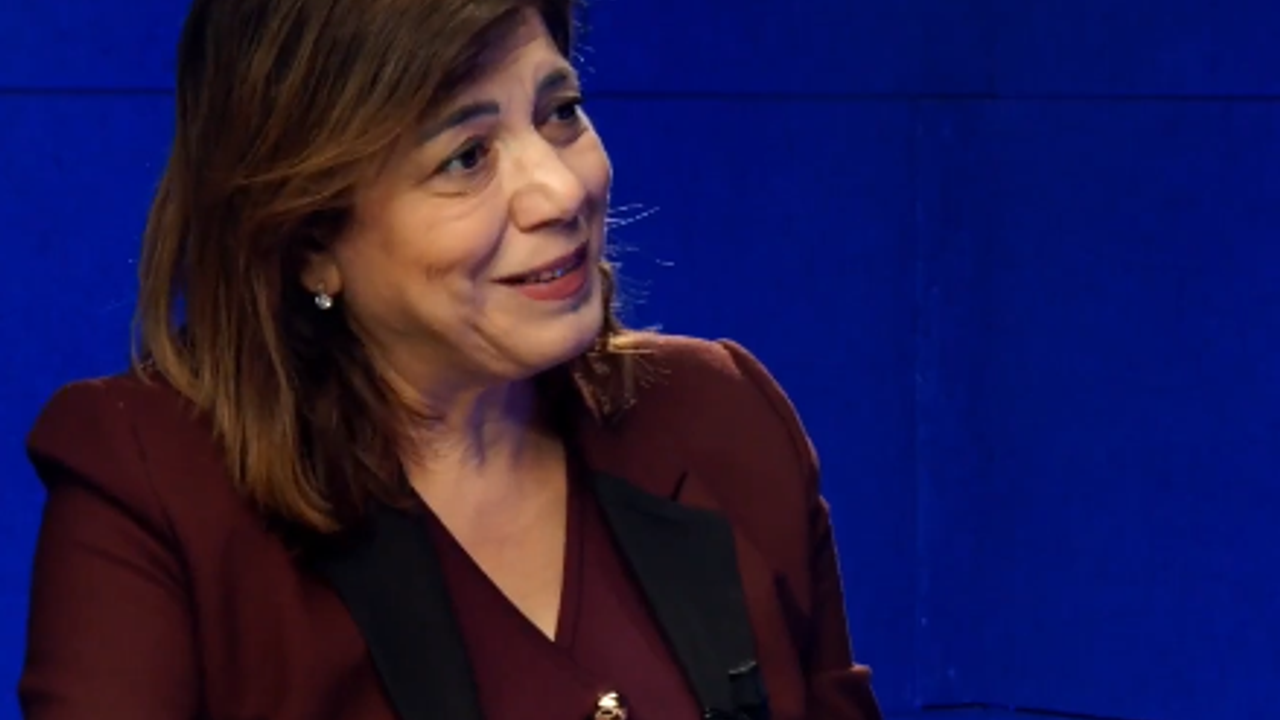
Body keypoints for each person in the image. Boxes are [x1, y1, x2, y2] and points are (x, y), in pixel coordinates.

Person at [20, 1, 883, 719]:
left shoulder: (723, 419)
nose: (560, 190)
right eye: (466, 157)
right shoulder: (155, 489)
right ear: (310, 240)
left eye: (559, 111)